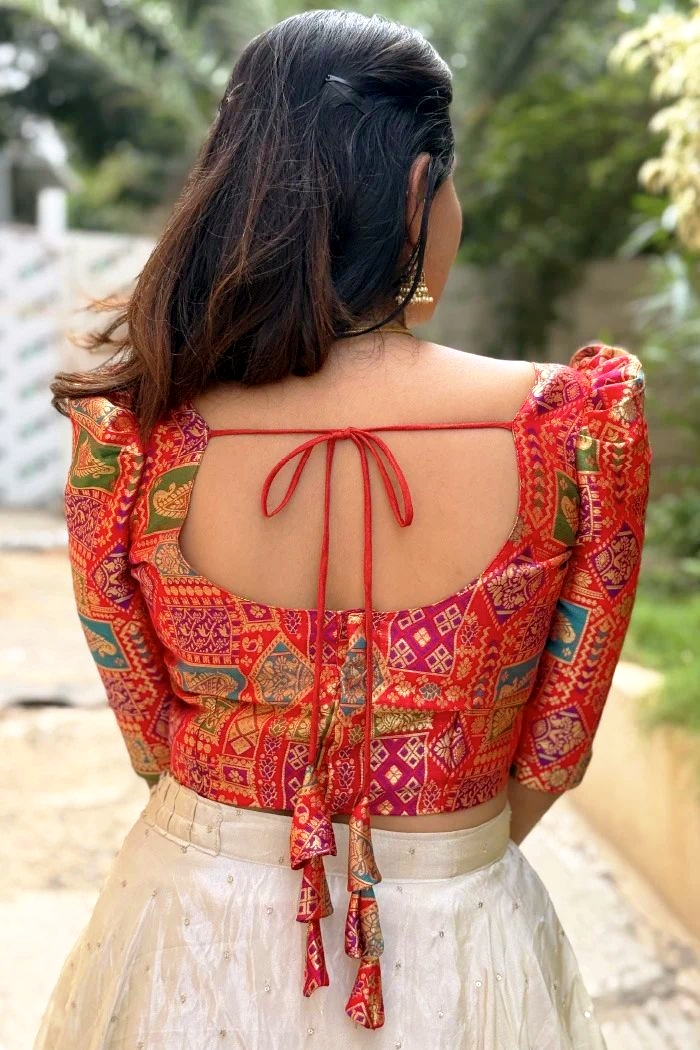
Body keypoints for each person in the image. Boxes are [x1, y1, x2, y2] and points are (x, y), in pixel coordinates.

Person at [34, 10, 651, 1050]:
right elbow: (553, 753)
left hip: (193, 923)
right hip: (457, 936)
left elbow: (149, 735)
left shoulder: (132, 437)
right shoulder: (576, 428)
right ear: (417, 188)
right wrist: (431, 857)